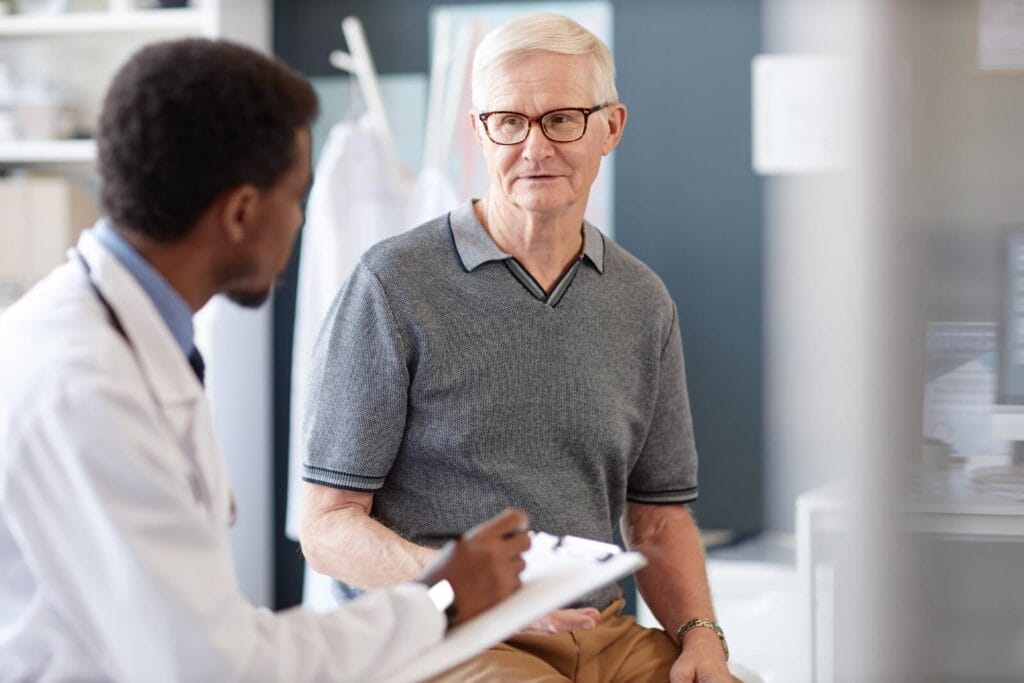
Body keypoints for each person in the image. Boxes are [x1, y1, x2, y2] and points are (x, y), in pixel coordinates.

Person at [0, 38, 531, 682]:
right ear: (241, 212)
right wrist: (440, 601)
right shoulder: (84, 386)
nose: (301, 222)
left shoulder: (126, 332)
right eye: (296, 196)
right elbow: (216, 665)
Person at [300, 12, 735, 683]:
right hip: (450, 631)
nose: (535, 148)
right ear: (479, 132)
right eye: (508, 121)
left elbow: (658, 517)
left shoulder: (643, 302)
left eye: (561, 118)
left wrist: (702, 637)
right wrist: (462, 582)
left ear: (611, 127)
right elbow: (327, 528)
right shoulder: (392, 285)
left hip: (601, 634)